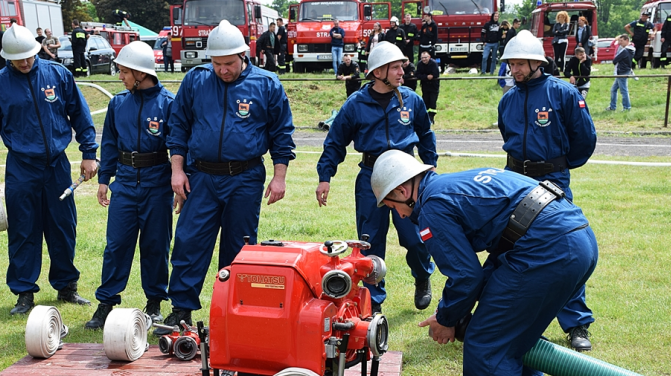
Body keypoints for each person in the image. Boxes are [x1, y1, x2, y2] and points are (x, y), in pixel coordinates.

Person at [370, 150, 597, 376]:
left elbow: (465, 276)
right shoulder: (449, 186)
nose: (398, 214)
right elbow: (500, 247)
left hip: (547, 250)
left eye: (391, 205)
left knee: (486, 343)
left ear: (402, 191)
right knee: (518, 338)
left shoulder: (432, 206)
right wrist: (452, 311)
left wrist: (447, 318)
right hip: (577, 238)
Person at [158, 20, 295, 334]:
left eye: (229, 64)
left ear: (243, 55)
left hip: (245, 178)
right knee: (189, 241)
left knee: (240, 249)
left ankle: (234, 314)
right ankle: (181, 309)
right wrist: (177, 171)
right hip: (201, 177)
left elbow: (282, 134)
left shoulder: (267, 84)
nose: (223, 70)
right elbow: (177, 127)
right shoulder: (196, 80)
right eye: (217, 64)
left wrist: (279, 177)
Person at [0, 25, 99, 316]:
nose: (25, 63)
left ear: (36, 50)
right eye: (18, 60)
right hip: (21, 168)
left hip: (57, 166)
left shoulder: (58, 74)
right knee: (23, 230)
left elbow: (80, 113)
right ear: (7, 58)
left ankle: (67, 287)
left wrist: (89, 153)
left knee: (63, 228)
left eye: (28, 57)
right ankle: (24, 293)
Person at [315, 42, 436, 314]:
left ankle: (422, 275)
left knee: (415, 238)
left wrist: (432, 168)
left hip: (407, 178)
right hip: (371, 178)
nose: (402, 72)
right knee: (370, 244)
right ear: (379, 71)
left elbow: (426, 136)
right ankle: (374, 303)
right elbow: (335, 142)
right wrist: (325, 176)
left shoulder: (412, 100)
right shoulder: (356, 104)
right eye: (395, 67)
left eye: (401, 67)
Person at [497, 30, 597, 352]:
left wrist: (559, 165)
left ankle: (577, 323)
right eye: (510, 63)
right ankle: (515, 318)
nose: (514, 69)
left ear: (536, 61)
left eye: (519, 63)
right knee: (512, 247)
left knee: (565, 247)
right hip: (514, 179)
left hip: (553, 179)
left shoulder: (563, 93)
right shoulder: (508, 99)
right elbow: (507, 135)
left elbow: (585, 137)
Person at [85, 42, 175, 329]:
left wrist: (178, 184)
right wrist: (103, 180)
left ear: (139, 73)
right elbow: (109, 144)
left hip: (157, 183)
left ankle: (155, 304)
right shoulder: (118, 103)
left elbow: (179, 147)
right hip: (123, 182)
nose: (120, 77)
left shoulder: (168, 104)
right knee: (117, 245)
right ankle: (106, 303)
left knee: (156, 245)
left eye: (124, 71)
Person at [607, 35, 633, 112]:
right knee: (613, 89)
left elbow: (615, 60)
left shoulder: (626, 50)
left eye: (621, 41)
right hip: (622, 71)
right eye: (619, 41)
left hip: (622, 71)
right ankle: (612, 106)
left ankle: (627, 107)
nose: (620, 43)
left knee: (624, 90)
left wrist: (616, 61)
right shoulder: (628, 49)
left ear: (627, 40)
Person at [416, 50, 440, 123]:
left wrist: (431, 76)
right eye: (422, 58)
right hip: (425, 86)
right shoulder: (420, 64)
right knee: (425, 101)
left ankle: (432, 117)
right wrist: (426, 76)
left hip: (433, 86)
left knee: (432, 102)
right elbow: (417, 74)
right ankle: (425, 117)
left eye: (425, 57)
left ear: (429, 57)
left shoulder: (434, 63)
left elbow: (436, 74)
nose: (424, 59)